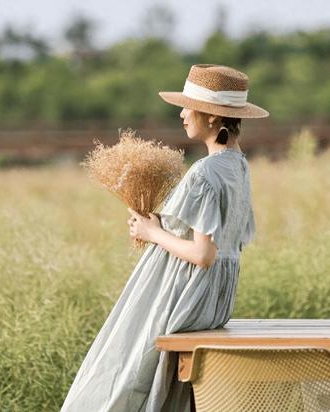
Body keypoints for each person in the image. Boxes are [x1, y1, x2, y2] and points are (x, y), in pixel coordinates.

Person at [60, 64, 269, 412]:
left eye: (189, 106)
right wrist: (161, 225)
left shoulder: (205, 172)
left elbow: (204, 254)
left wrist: (152, 232)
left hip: (184, 293)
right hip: (214, 299)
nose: (183, 114)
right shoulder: (239, 165)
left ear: (213, 117)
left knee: (121, 369)